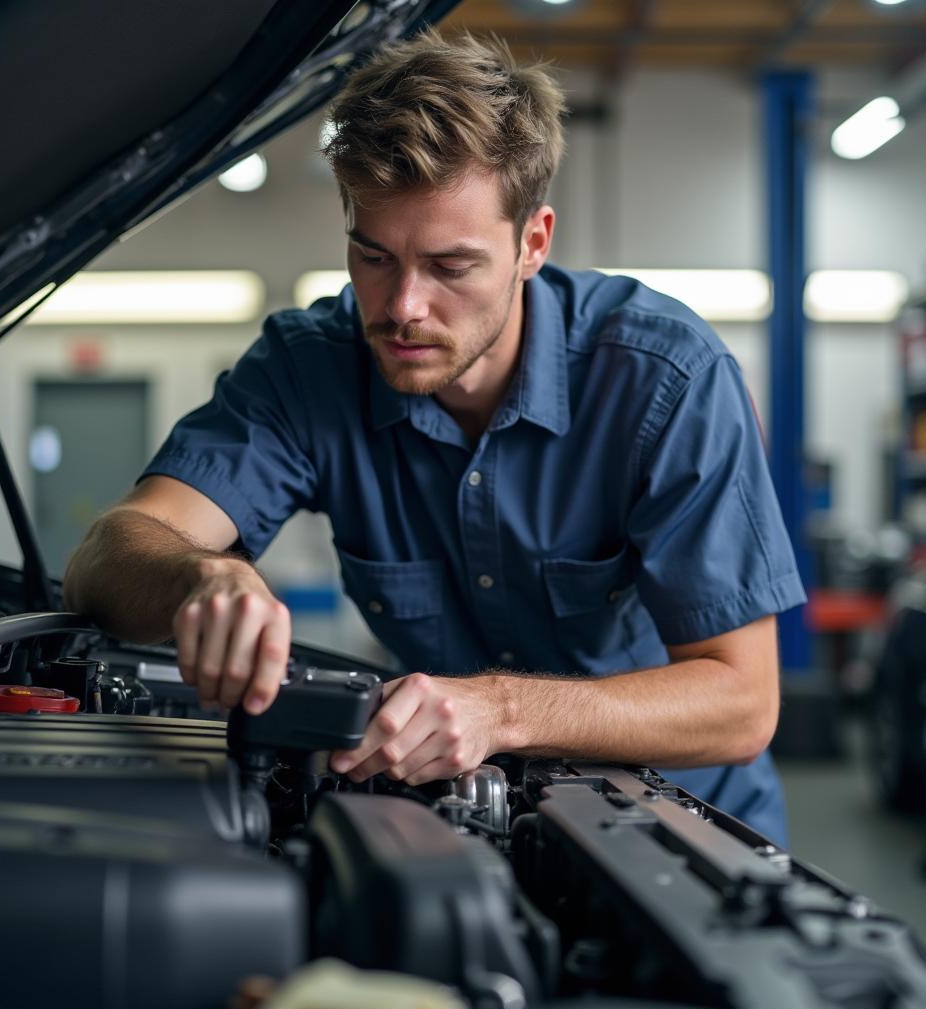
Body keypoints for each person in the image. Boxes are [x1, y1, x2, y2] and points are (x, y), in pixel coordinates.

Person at [63, 30, 805, 844]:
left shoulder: (664, 378)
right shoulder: (308, 369)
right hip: (456, 818)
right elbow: (109, 554)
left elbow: (742, 702)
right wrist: (201, 578)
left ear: (533, 243)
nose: (403, 306)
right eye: (373, 256)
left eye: (451, 267)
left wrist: (502, 708)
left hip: (681, 834)